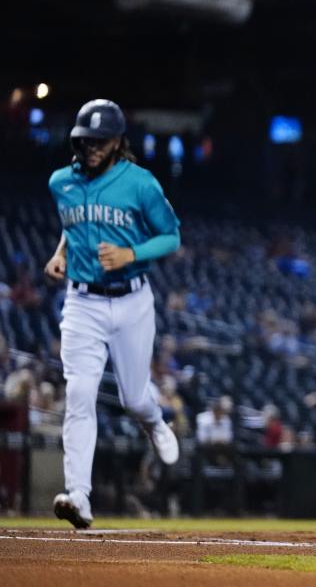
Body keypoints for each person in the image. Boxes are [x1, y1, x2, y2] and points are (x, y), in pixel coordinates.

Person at [44, 99, 181, 529]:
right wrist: (61, 252)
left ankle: (154, 421)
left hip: (132, 300)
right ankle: (79, 497)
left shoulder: (140, 184)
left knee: (133, 397)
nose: (93, 147)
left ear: (119, 142)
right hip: (82, 302)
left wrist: (131, 254)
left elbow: (171, 236)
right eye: (87, 140)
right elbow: (74, 224)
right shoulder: (60, 182)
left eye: (101, 141)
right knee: (80, 394)